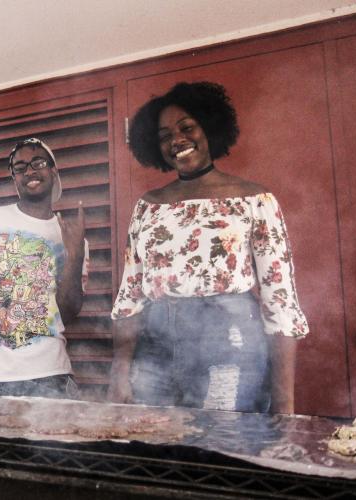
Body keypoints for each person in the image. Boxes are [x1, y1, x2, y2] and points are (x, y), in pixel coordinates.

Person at [109, 82, 309, 414]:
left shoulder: (253, 200)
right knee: (154, 448)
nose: (176, 140)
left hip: (229, 347)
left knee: (220, 451)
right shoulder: (148, 207)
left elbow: (280, 302)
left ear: (209, 127)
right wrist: (120, 371)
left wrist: (284, 404)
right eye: (164, 136)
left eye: (187, 127)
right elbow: (130, 297)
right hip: (155, 351)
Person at [0, 138, 88, 399]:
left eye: (38, 162)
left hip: (50, 375)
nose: (29, 171)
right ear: (14, 178)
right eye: (20, 167)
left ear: (53, 171)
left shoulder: (71, 234)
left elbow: (69, 312)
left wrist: (75, 255)